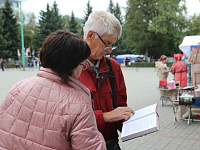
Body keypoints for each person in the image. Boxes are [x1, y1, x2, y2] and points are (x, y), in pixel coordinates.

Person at [0, 30, 106, 150]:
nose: (83, 69)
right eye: (83, 65)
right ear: (72, 65)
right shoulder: (79, 104)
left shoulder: (18, 87)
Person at [78, 11, 134, 150]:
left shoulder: (113, 68)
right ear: (90, 36)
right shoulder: (69, 68)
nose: (109, 50)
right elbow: (66, 118)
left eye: (112, 45)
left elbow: (120, 105)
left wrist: (134, 124)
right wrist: (104, 117)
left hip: (110, 144)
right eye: (107, 43)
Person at [170, 53, 188, 119]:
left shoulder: (174, 64)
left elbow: (172, 71)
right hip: (184, 77)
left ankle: (178, 98)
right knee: (184, 90)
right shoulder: (184, 63)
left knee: (178, 90)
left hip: (178, 76)